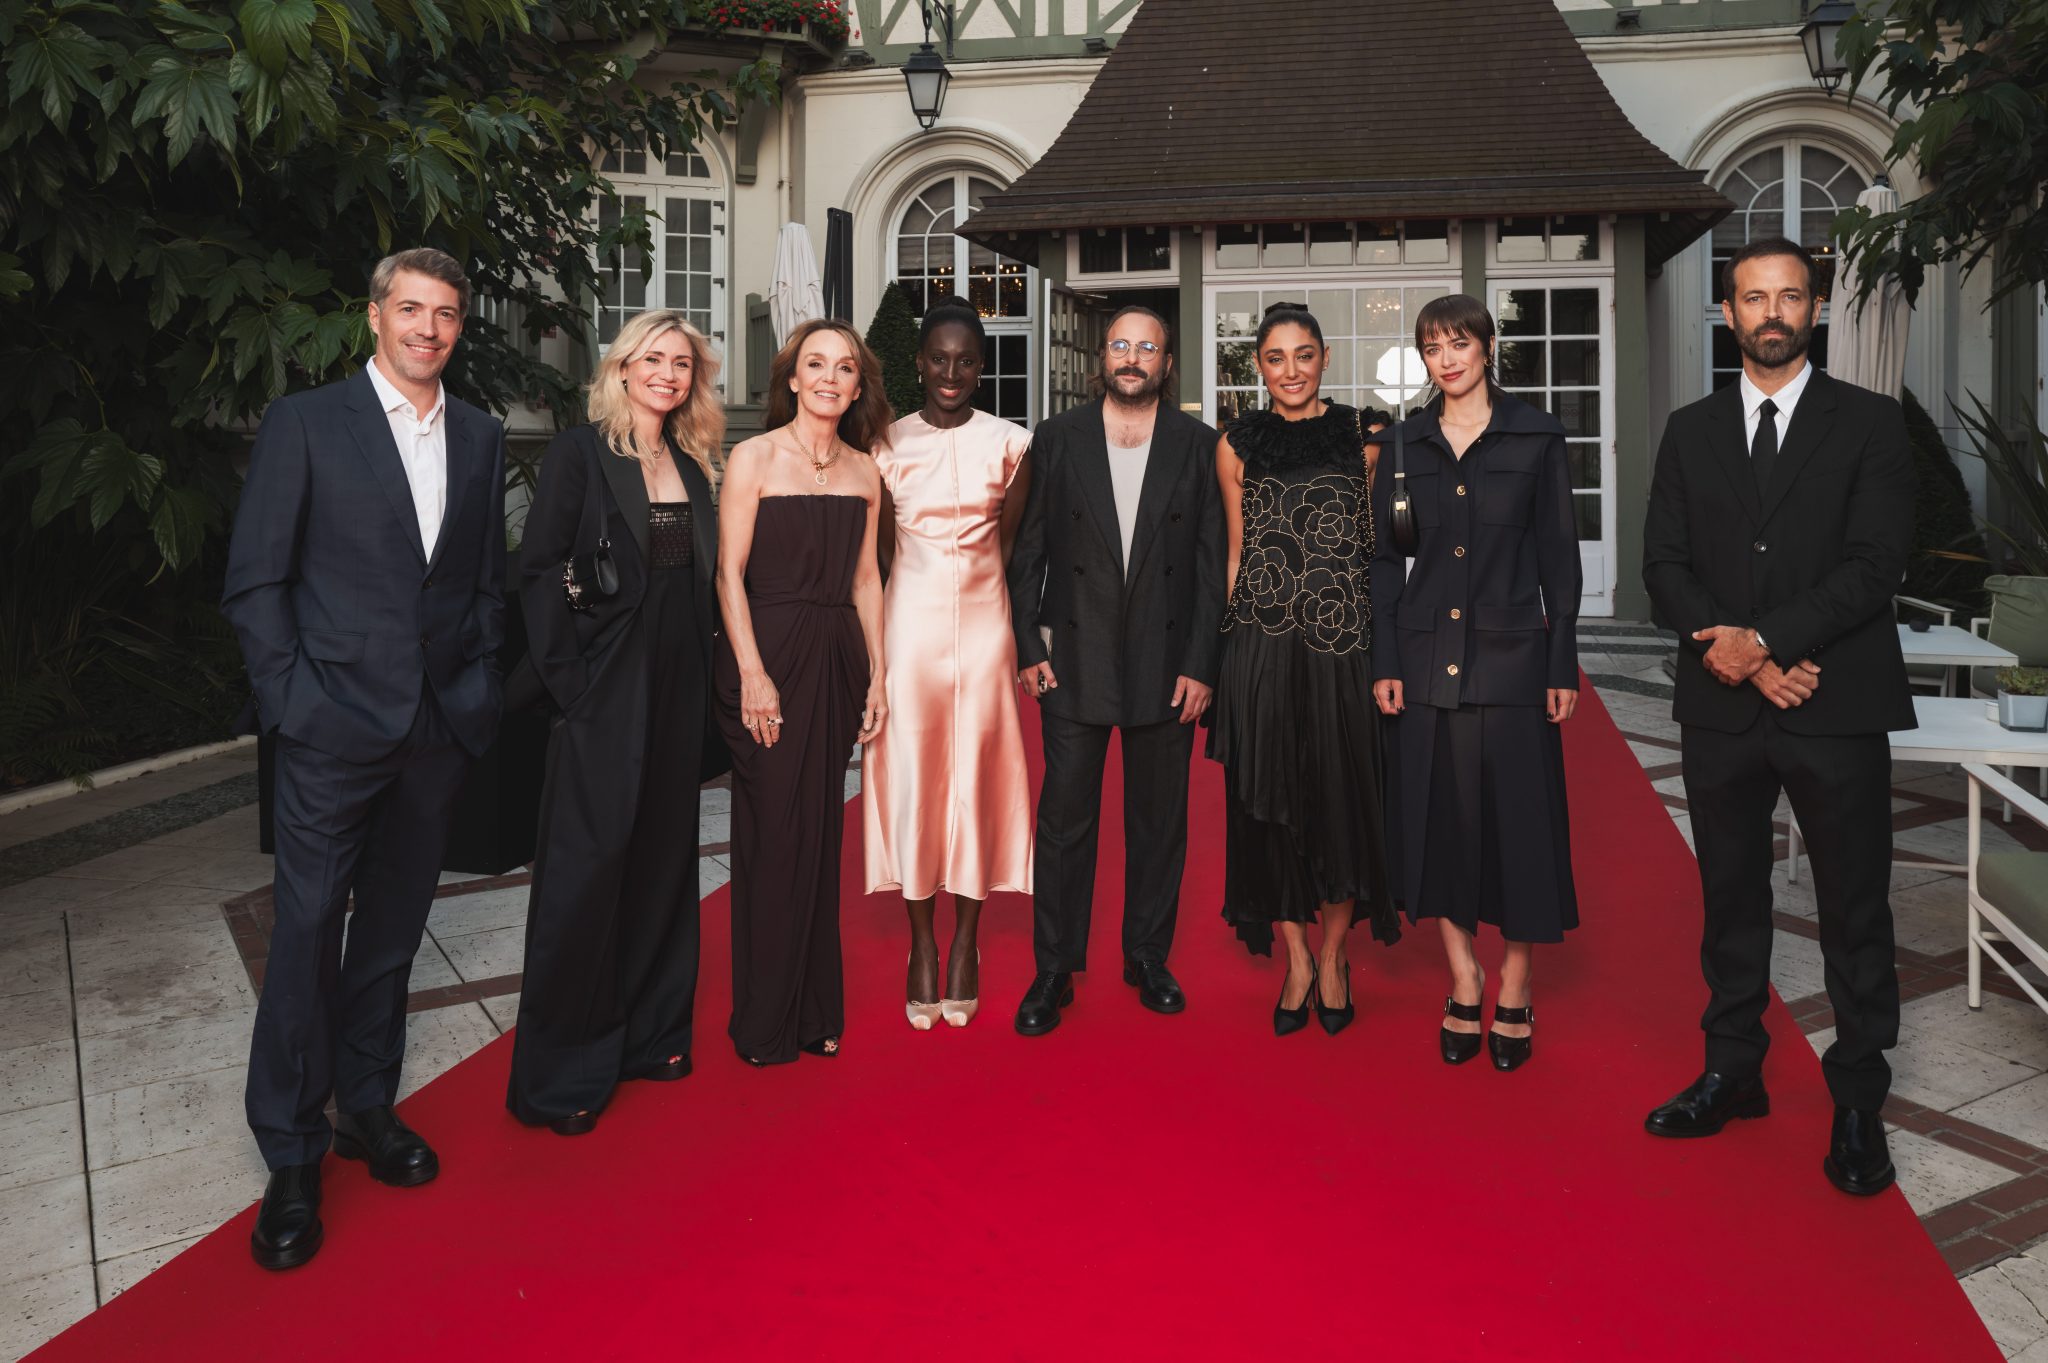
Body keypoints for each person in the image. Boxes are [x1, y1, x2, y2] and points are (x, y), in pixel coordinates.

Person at [221, 248, 505, 1269]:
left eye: (447, 314)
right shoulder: (306, 425)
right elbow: (256, 583)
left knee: (391, 932)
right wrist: (297, 706)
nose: (428, 329)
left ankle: (366, 1108)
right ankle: (292, 1151)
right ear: (374, 316)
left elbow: (481, 582)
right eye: (410, 309)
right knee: (304, 932)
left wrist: (472, 685)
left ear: (459, 327)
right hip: (328, 731)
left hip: (434, 732)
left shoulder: (478, 434)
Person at [1641, 236, 1915, 1196]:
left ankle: (1857, 1101)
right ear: (1727, 314)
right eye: (1753, 297)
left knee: (1852, 906)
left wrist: (1762, 642)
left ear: (1816, 309)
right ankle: (1733, 1071)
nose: (1771, 313)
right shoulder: (1689, 428)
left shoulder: (1874, 426)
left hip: (1835, 701)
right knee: (1730, 897)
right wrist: (1740, 657)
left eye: (1789, 296)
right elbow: (1663, 567)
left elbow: (1877, 565)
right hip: (1724, 708)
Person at [507, 310, 729, 1135]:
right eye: (654, 358)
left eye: (682, 362)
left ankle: (653, 1036)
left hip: (678, 680)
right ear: (623, 367)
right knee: (587, 869)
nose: (668, 373)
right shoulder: (581, 453)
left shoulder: (695, 464)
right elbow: (536, 572)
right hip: (604, 680)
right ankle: (564, 1069)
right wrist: (569, 685)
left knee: (665, 859)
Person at [1370, 293, 1580, 1073]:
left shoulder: (1537, 436)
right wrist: (1385, 660)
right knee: (1439, 824)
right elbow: (1387, 561)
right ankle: (1464, 975)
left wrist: (1563, 662)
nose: (1447, 358)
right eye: (1432, 347)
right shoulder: (1403, 444)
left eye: (1460, 342)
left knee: (1519, 827)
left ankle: (1517, 981)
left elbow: (1560, 557)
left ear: (1489, 348)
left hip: (1515, 659)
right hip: (1425, 663)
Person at [1006, 305, 1225, 1034]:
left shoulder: (1198, 445)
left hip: (1167, 666)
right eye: (1122, 345)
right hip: (1074, 659)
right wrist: (1028, 648)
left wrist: (1202, 664)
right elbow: (1028, 550)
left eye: (1148, 347)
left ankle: (1147, 954)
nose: (1133, 357)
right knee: (1065, 822)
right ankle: (1054, 968)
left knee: (1159, 822)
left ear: (1167, 362)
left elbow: (1205, 568)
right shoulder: (1059, 437)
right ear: (1103, 356)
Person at [1211, 303, 1400, 1037]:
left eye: (1304, 355)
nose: (1291, 370)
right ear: (1258, 365)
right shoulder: (1234, 443)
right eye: (1275, 357)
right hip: (1260, 644)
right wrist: (1229, 653)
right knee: (1267, 808)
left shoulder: (1366, 436)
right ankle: (1294, 957)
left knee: (1343, 802)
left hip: (1343, 646)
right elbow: (1235, 551)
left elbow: (1380, 550)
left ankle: (1332, 955)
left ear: (1324, 358)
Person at [717, 319, 890, 1065]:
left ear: (857, 385)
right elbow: (728, 575)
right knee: (772, 832)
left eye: (843, 367)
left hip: (836, 658)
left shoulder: (865, 470)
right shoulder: (753, 456)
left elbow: (865, 579)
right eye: (814, 364)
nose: (829, 377)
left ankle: (816, 1008)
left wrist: (879, 674)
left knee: (821, 833)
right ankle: (762, 1017)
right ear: (790, 378)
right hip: (770, 653)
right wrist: (752, 672)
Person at [865, 300, 1034, 1030]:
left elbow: (1017, 548)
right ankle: (920, 948)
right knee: (913, 780)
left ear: (982, 366)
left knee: (979, 779)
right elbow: (873, 558)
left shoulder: (1014, 445)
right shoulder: (884, 445)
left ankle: (965, 942)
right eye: (939, 358)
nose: (952, 372)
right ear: (919, 362)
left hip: (989, 627)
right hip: (909, 631)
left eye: (967, 360)